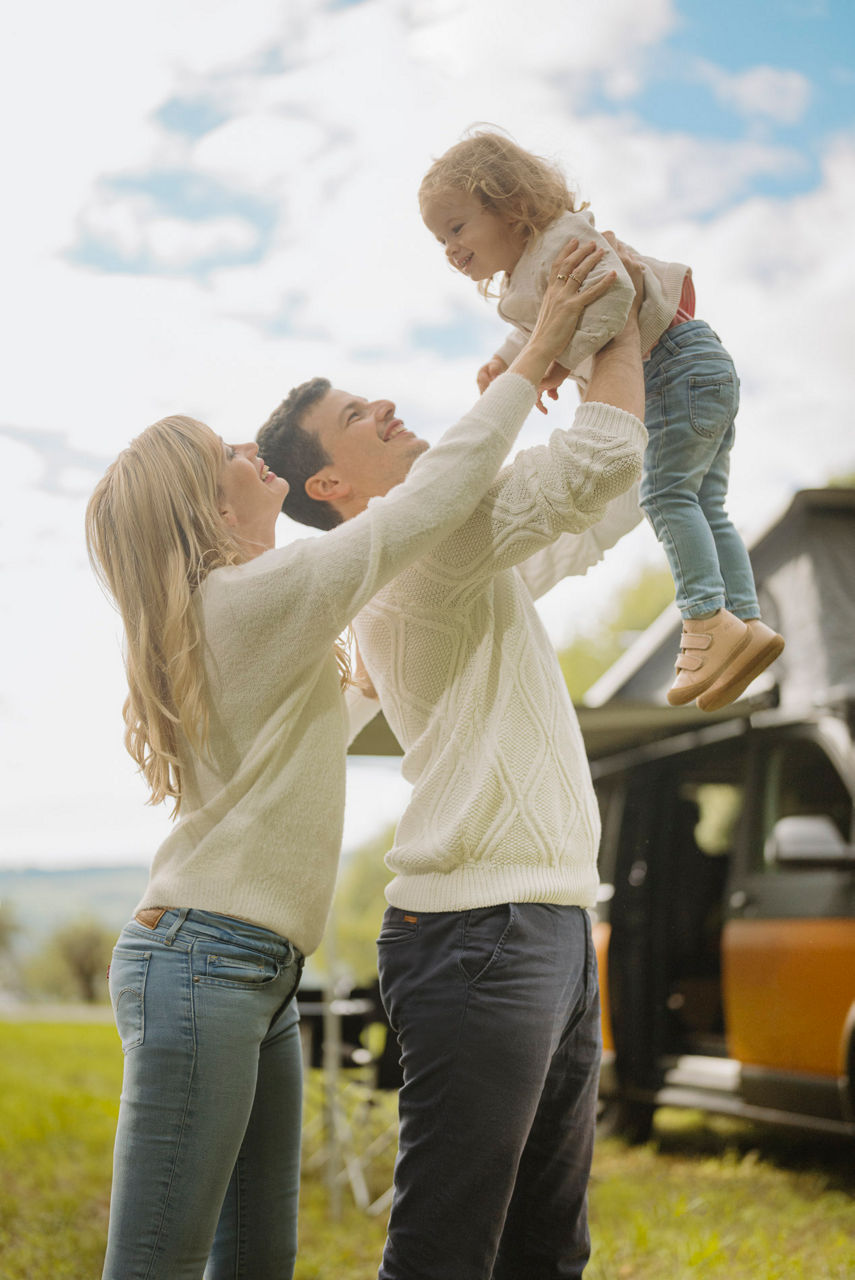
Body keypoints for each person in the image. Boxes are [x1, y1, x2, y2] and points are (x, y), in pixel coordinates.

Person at [85, 237, 616, 1280]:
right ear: (206, 505)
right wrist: (532, 356)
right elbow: (415, 514)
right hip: (201, 960)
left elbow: (373, 667)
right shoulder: (247, 599)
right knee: (157, 1261)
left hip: (257, 966)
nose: (255, 451)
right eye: (228, 451)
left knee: (259, 1257)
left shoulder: (262, 620)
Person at [256, 245, 648, 1280]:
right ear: (331, 484)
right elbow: (600, 458)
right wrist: (601, 316)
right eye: (355, 415)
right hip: (482, 932)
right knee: (445, 1251)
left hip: (545, 917)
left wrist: (613, 352)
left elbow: (609, 497)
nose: (384, 402)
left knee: (545, 1249)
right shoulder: (414, 549)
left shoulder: (457, 550)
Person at [418, 128, 784, 713]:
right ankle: (743, 624)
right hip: (695, 368)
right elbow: (540, 319)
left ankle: (704, 621)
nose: (450, 248)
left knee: (663, 496)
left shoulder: (563, 241)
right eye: (440, 239)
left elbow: (612, 298)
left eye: (457, 227)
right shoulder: (532, 267)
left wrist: (557, 364)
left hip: (672, 369)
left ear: (511, 206)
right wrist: (507, 360)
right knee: (703, 504)